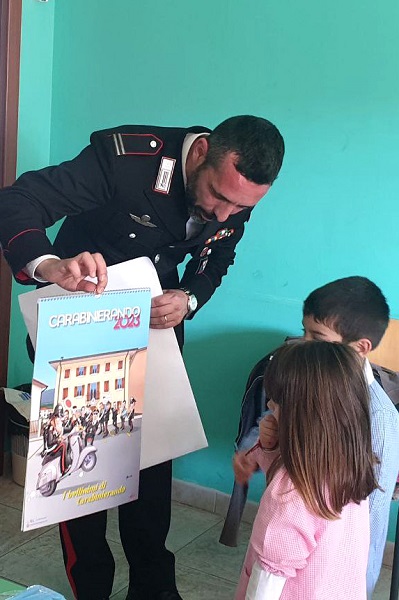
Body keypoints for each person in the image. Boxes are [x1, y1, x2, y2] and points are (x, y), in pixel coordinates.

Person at [0, 115, 285, 600]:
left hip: (154, 327)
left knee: (151, 462)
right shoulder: (126, 161)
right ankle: (91, 585)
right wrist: (49, 264)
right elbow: (16, 201)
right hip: (82, 321)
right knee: (82, 470)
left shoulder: (236, 194)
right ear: (200, 155)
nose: (224, 214)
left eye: (240, 207)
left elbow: (217, 255)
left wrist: (189, 298)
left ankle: (153, 586)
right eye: (218, 197)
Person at [233, 341, 378, 600]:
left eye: (276, 405)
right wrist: (271, 447)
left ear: (301, 419)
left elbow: (269, 578)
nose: (269, 410)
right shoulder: (348, 465)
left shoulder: (290, 491)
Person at [301, 275, 399, 598]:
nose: (305, 345)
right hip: (302, 548)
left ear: (360, 348)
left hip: (343, 572)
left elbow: (370, 516)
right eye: (305, 332)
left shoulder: (380, 419)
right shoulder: (313, 386)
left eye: (317, 337)